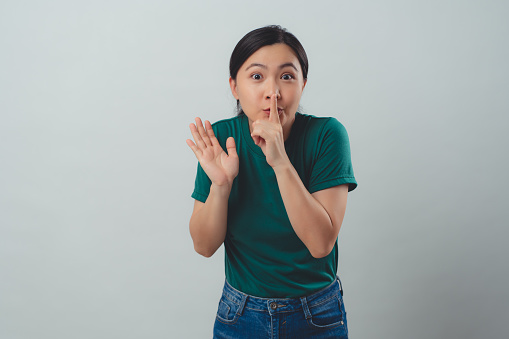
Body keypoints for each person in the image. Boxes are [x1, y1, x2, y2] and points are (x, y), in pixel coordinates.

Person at [186, 25, 357, 339]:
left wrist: (280, 161)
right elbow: (204, 246)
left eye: (287, 76)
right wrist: (221, 187)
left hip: (316, 313)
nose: (273, 91)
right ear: (234, 86)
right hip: (240, 314)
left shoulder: (328, 135)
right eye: (256, 76)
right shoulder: (220, 140)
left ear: (303, 84)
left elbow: (321, 245)